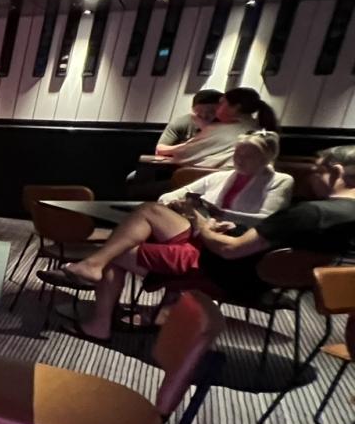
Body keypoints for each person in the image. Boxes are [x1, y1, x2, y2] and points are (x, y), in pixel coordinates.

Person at [48, 140, 353, 341]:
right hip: (256, 273)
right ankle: (99, 271)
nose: (311, 177)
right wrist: (229, 227)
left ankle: (98, 322)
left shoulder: (310, 212)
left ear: (336, 172)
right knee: (150, 211)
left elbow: (230, 251)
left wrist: (203, 225)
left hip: (220, 270)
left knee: (118, 248)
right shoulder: (344, 214)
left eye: (316, 170)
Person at [161, 86, 278, 168]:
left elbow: (182, 155)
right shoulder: (263, 131)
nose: (217, 108)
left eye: (221, 103)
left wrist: (183, 146)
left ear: (236, 107)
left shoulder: (219, 129)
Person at [154, 89, 223, 156]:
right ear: (192, 109)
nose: (204, 115)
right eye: (199, 111)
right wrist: (187, 146)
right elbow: (160, 150)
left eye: (211, 111)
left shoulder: (225, 125)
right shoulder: (181, 122)